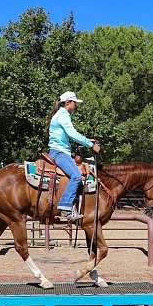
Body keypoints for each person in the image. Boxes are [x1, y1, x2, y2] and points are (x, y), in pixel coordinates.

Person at [48, 91, 101, 221]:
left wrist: (87, 139)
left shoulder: (60, 114)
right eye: (74, 103)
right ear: (68, 103)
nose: (76, 106)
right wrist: (90, 144)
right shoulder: (63, 115)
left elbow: (69, 134)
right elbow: (72, 134)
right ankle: (65, 208)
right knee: (76, 176)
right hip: (59, 152)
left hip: (59, 150)